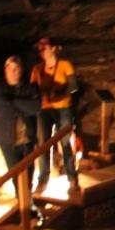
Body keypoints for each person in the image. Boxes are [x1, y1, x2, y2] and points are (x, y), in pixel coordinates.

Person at [30, 38, 80, 194]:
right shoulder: (37, 69)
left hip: (63, 108)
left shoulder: (65, 65)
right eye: (39, 48)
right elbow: (32, 90)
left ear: (53, 49)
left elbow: (73, 86)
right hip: (44, 110)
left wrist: (59, 93)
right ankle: (43, 181)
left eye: (44, 47)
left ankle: (72, 179)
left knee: (65, 143)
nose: (42, 51)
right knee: (42, 145)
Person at [0, 56, 42, 201]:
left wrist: (12, 102)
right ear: (5, 70)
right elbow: (2, 110)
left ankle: (27, 203)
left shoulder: (30, 88)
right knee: (15, 175)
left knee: (28, 174)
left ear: (21, 70)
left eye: (16, 68)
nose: (13, 72)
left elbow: (36, 107)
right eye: (10, 69)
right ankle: (23, 206)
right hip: (8, 141)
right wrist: (23, 106)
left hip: (27, 140)